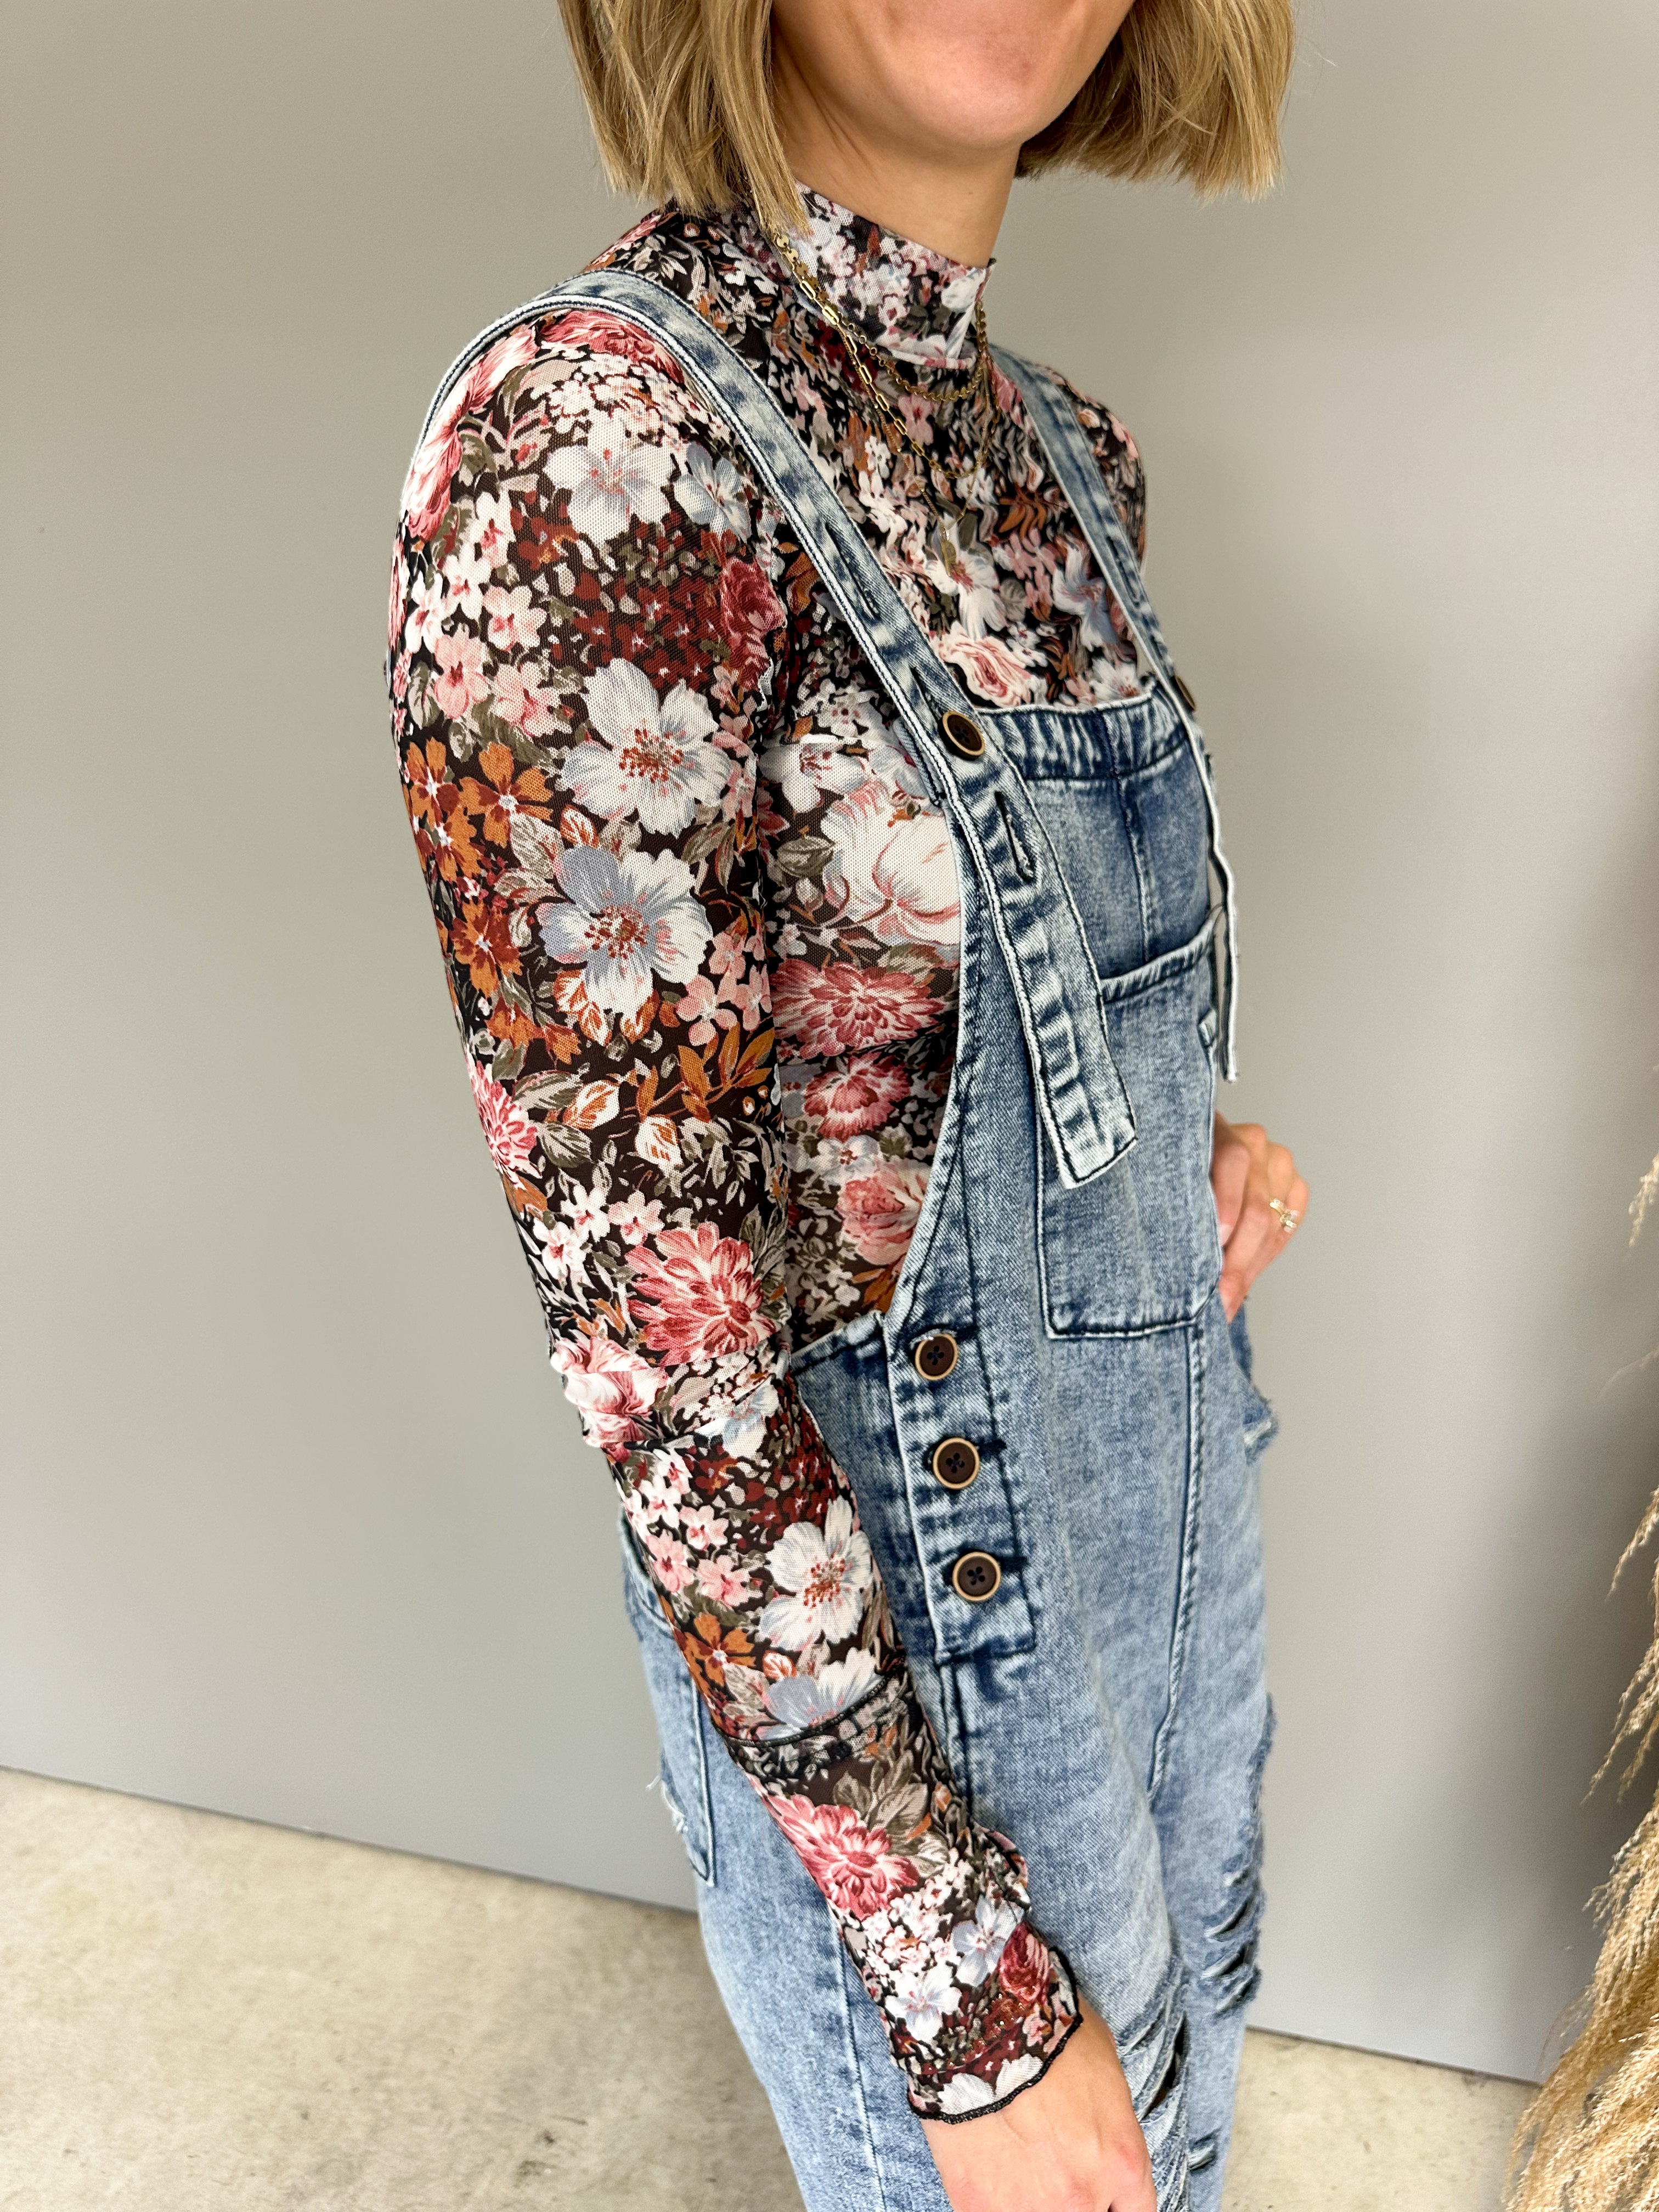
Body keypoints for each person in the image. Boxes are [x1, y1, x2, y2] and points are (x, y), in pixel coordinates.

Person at [386, 1, 1305, 2204]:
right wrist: (965, 1993)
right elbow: (660, 1346)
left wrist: (1163, 1160)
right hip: (927, 1713)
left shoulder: (1064, 455)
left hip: (1169, 1602)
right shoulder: (593, 453)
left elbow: (919, 1059)